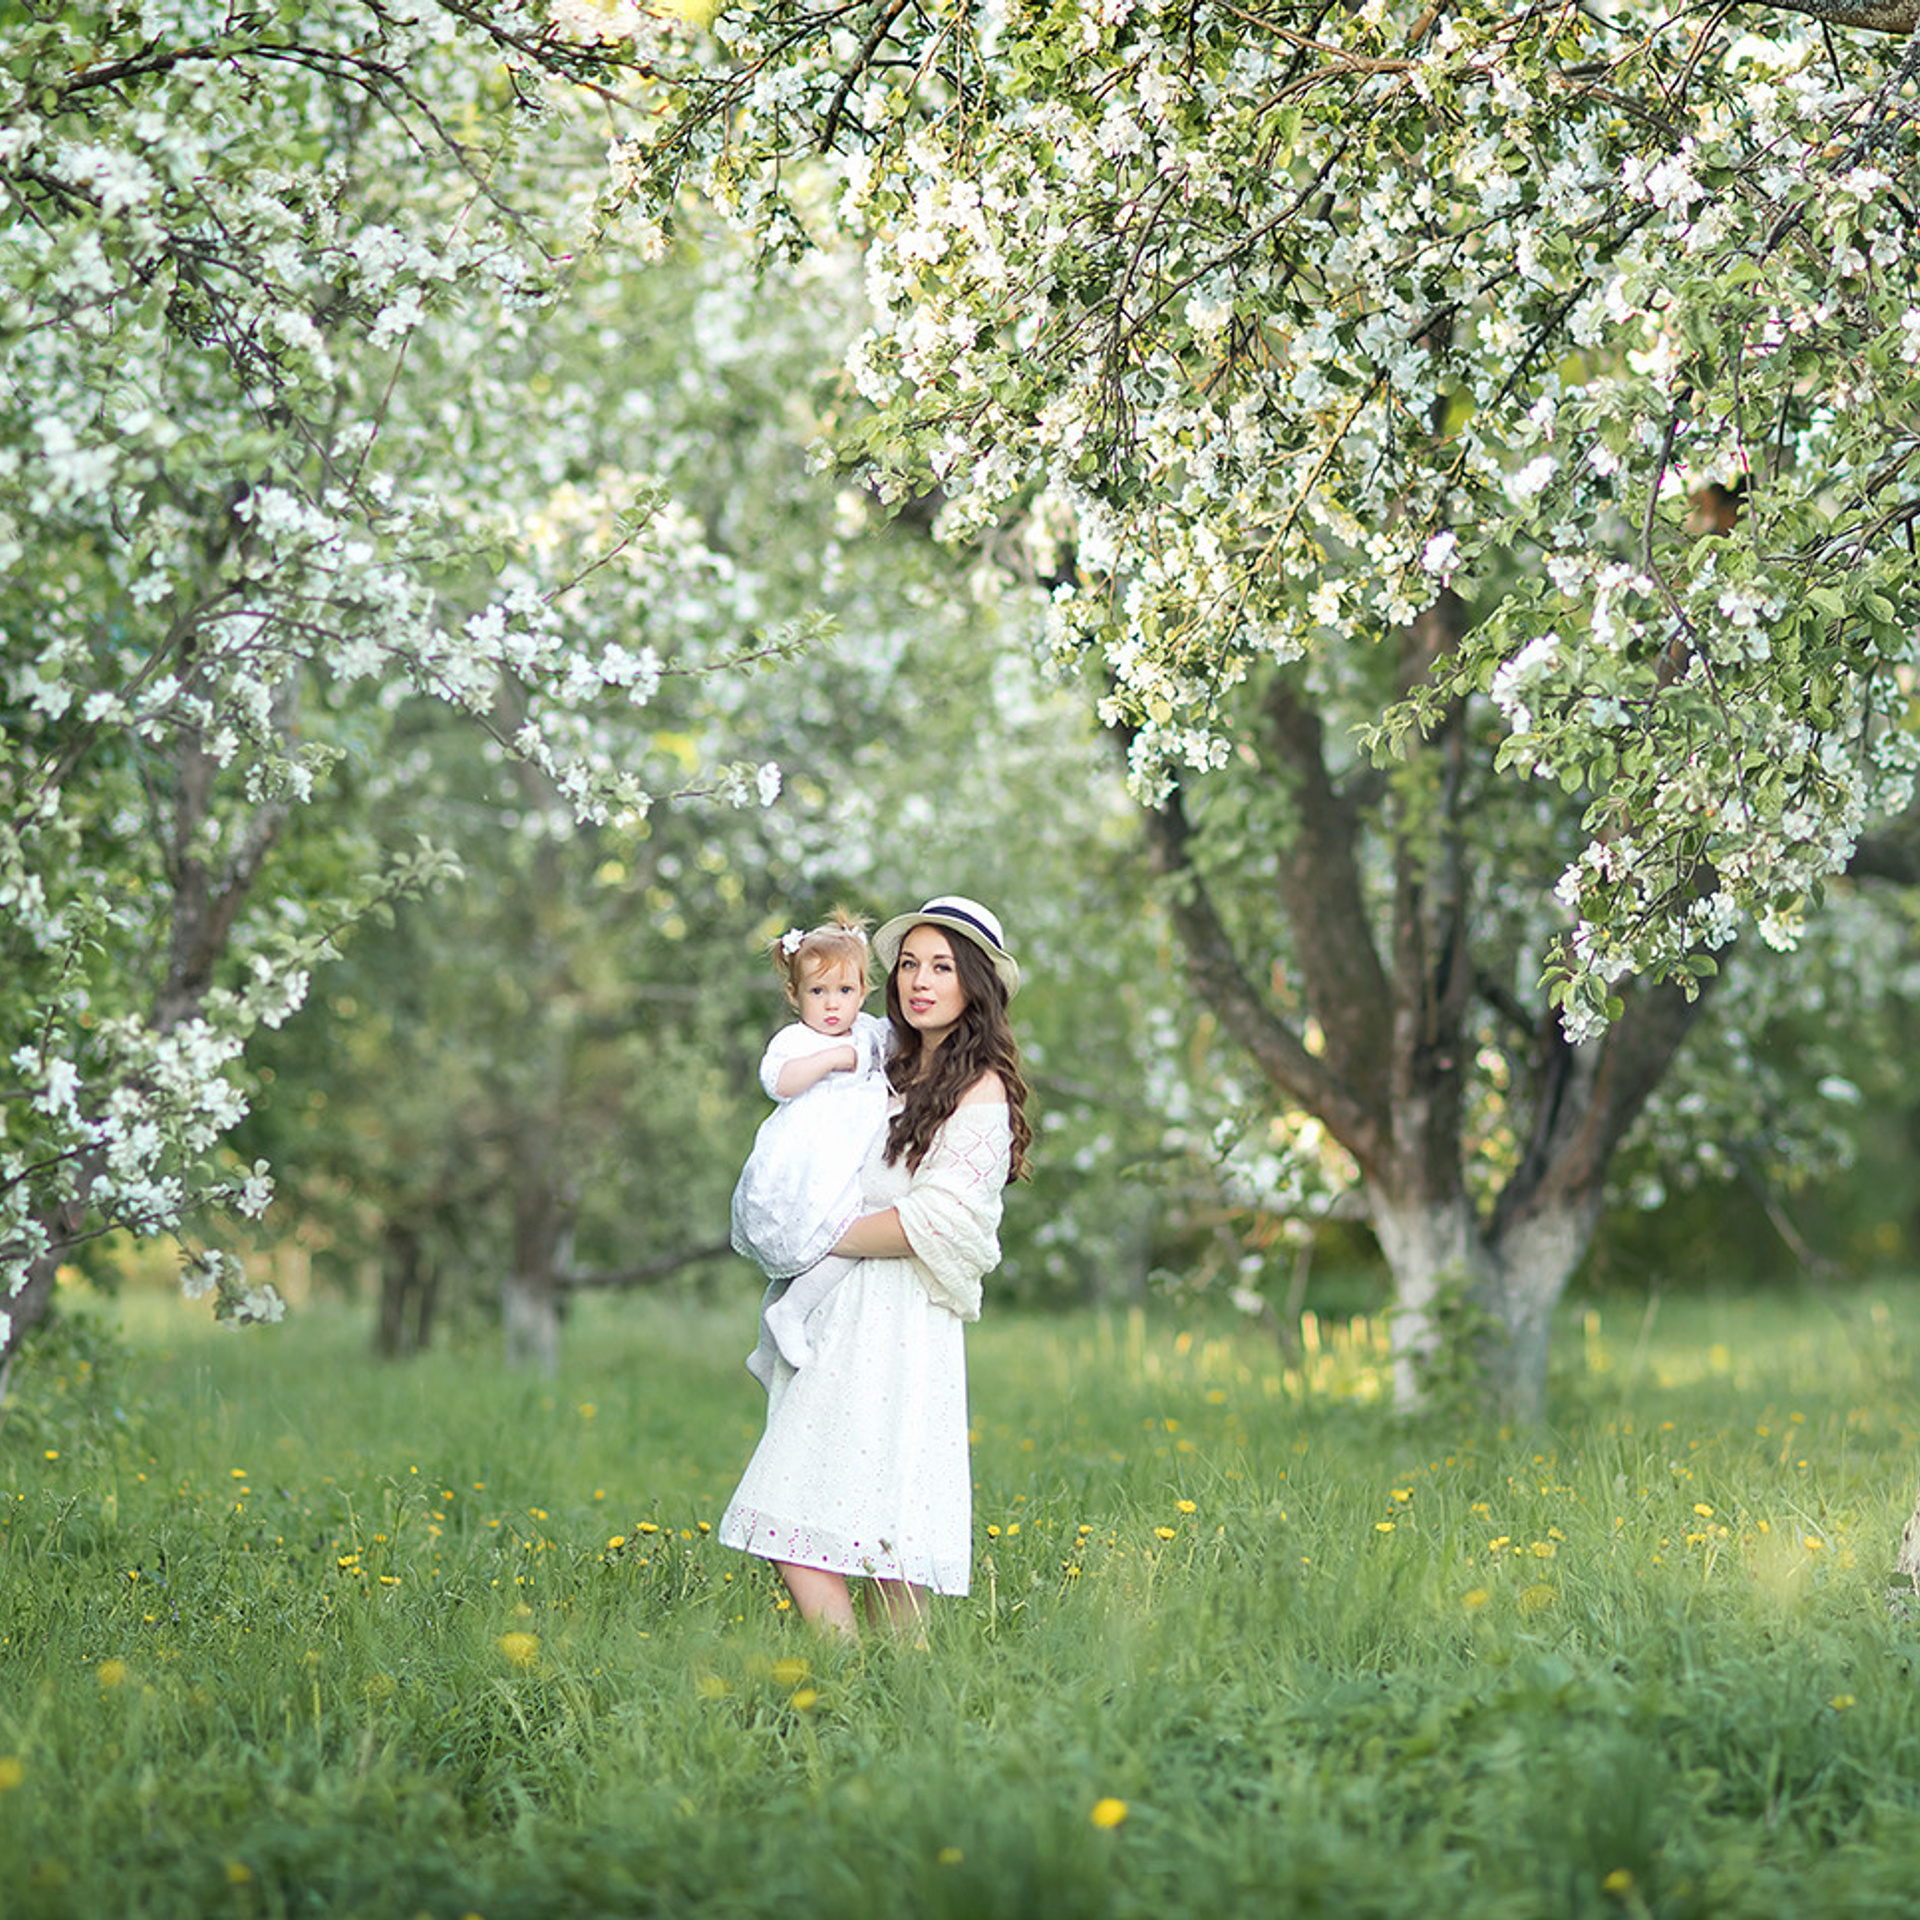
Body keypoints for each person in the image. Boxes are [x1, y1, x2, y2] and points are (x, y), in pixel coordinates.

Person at [719, 895, 1032, 1639]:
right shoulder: (882, 1064)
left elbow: (939, 1221)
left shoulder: (979, 1088)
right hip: (839, 1313)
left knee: (879, 1524)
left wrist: (820, 1238)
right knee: (822, 1512)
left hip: (899, 1318)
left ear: (976, 984)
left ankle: (885, 1687)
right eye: (910, 965)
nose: (920, 981)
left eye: (943, 967)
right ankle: (860, 1685)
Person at [730, 911, 893, 1377]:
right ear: (794, 994)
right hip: (805, 1167)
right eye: (817, 992)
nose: (831, 1004)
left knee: (820, 1246)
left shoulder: (870, 1031)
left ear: (863, 992)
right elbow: (779, 1082)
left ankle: (767, 1350)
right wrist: (831, 1058)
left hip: (844, 1163)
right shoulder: (797, 1040)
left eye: (844, 991)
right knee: (830, 1241)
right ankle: (789, 1314)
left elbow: (906, 1047)